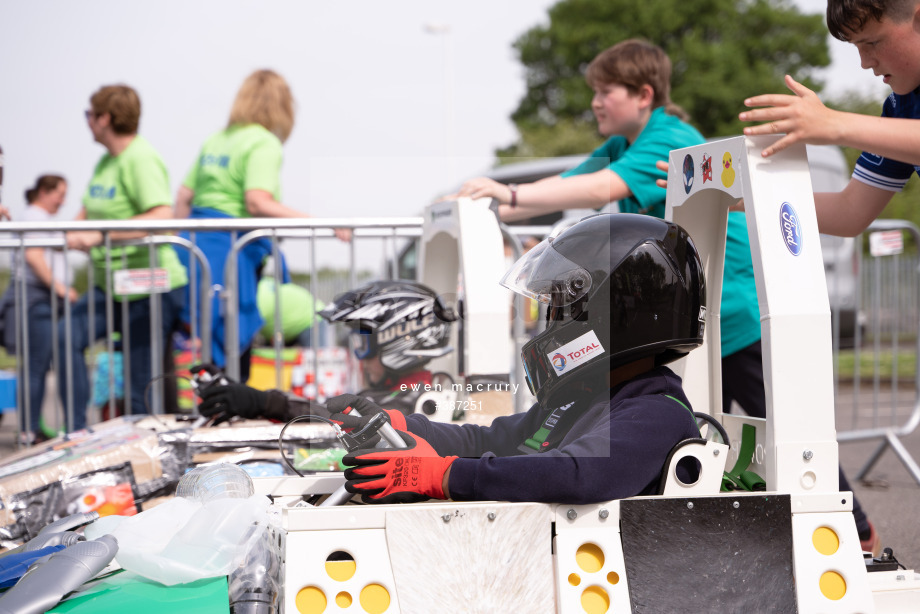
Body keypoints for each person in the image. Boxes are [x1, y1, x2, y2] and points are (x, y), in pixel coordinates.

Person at [452, 39, 764, 447]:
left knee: (776, 438)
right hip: (692, 311)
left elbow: (599, 186)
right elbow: (564, 185)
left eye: (605, 91)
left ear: (643, 95)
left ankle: (851, 515)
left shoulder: (669, 136)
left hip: (730, 310)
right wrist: (476, 207)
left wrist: (507, 194)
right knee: (703, 440)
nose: (595, 102)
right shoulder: (622, 143)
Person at [333, 213, 705, 504]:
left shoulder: (657, 412)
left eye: (561, 307)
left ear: (612, 315)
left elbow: (576, 474)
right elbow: (494, 440)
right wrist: (405, 426)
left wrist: (444, 476)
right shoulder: (588, 394)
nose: (551, 322)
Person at [174, 69, 350, 382]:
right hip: (231, 252)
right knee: (233, 334)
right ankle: (230, 412)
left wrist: (178, 239)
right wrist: (323, 223)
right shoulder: (263, 142)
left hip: (194, 247)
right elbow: (257, 201)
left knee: (208, 336)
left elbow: (184, 196)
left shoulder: (216, 139)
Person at [59, 84, 188, 429]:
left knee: (138, 385)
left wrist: (100, 236)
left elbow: (163, 216)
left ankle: (147, 465)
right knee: (65, 337)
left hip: (148, 287)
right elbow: (87, 212)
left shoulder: (140, 158)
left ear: (105, 118)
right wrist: (70, 232)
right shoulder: (106, 161)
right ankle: (74, 434)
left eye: (90, 114)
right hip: (110, 286)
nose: (87, 121)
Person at [739, 0, 920, 239]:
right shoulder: (901, 107)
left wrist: (834, 123)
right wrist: (745, 198)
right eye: (857, 46)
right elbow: (850, 211)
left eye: (872, 42)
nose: (865, 62)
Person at [194, 280, 457, 421]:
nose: (360, 360)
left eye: (364, 346)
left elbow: (339, 420)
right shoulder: (400, 392)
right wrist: (250, 399)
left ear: (398, 343)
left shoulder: (416, 402)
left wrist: (263, 403)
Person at [0, 175, 77, 444]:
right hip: (36, 299)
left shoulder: (38, 217)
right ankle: (29, 431)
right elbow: (34, 255)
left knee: (38, 366)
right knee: (35, 367)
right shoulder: (34, 216)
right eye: (60, 193)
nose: (63, 200)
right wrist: (61, 289)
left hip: (41, 298)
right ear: (44, 191)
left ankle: (31, 428)